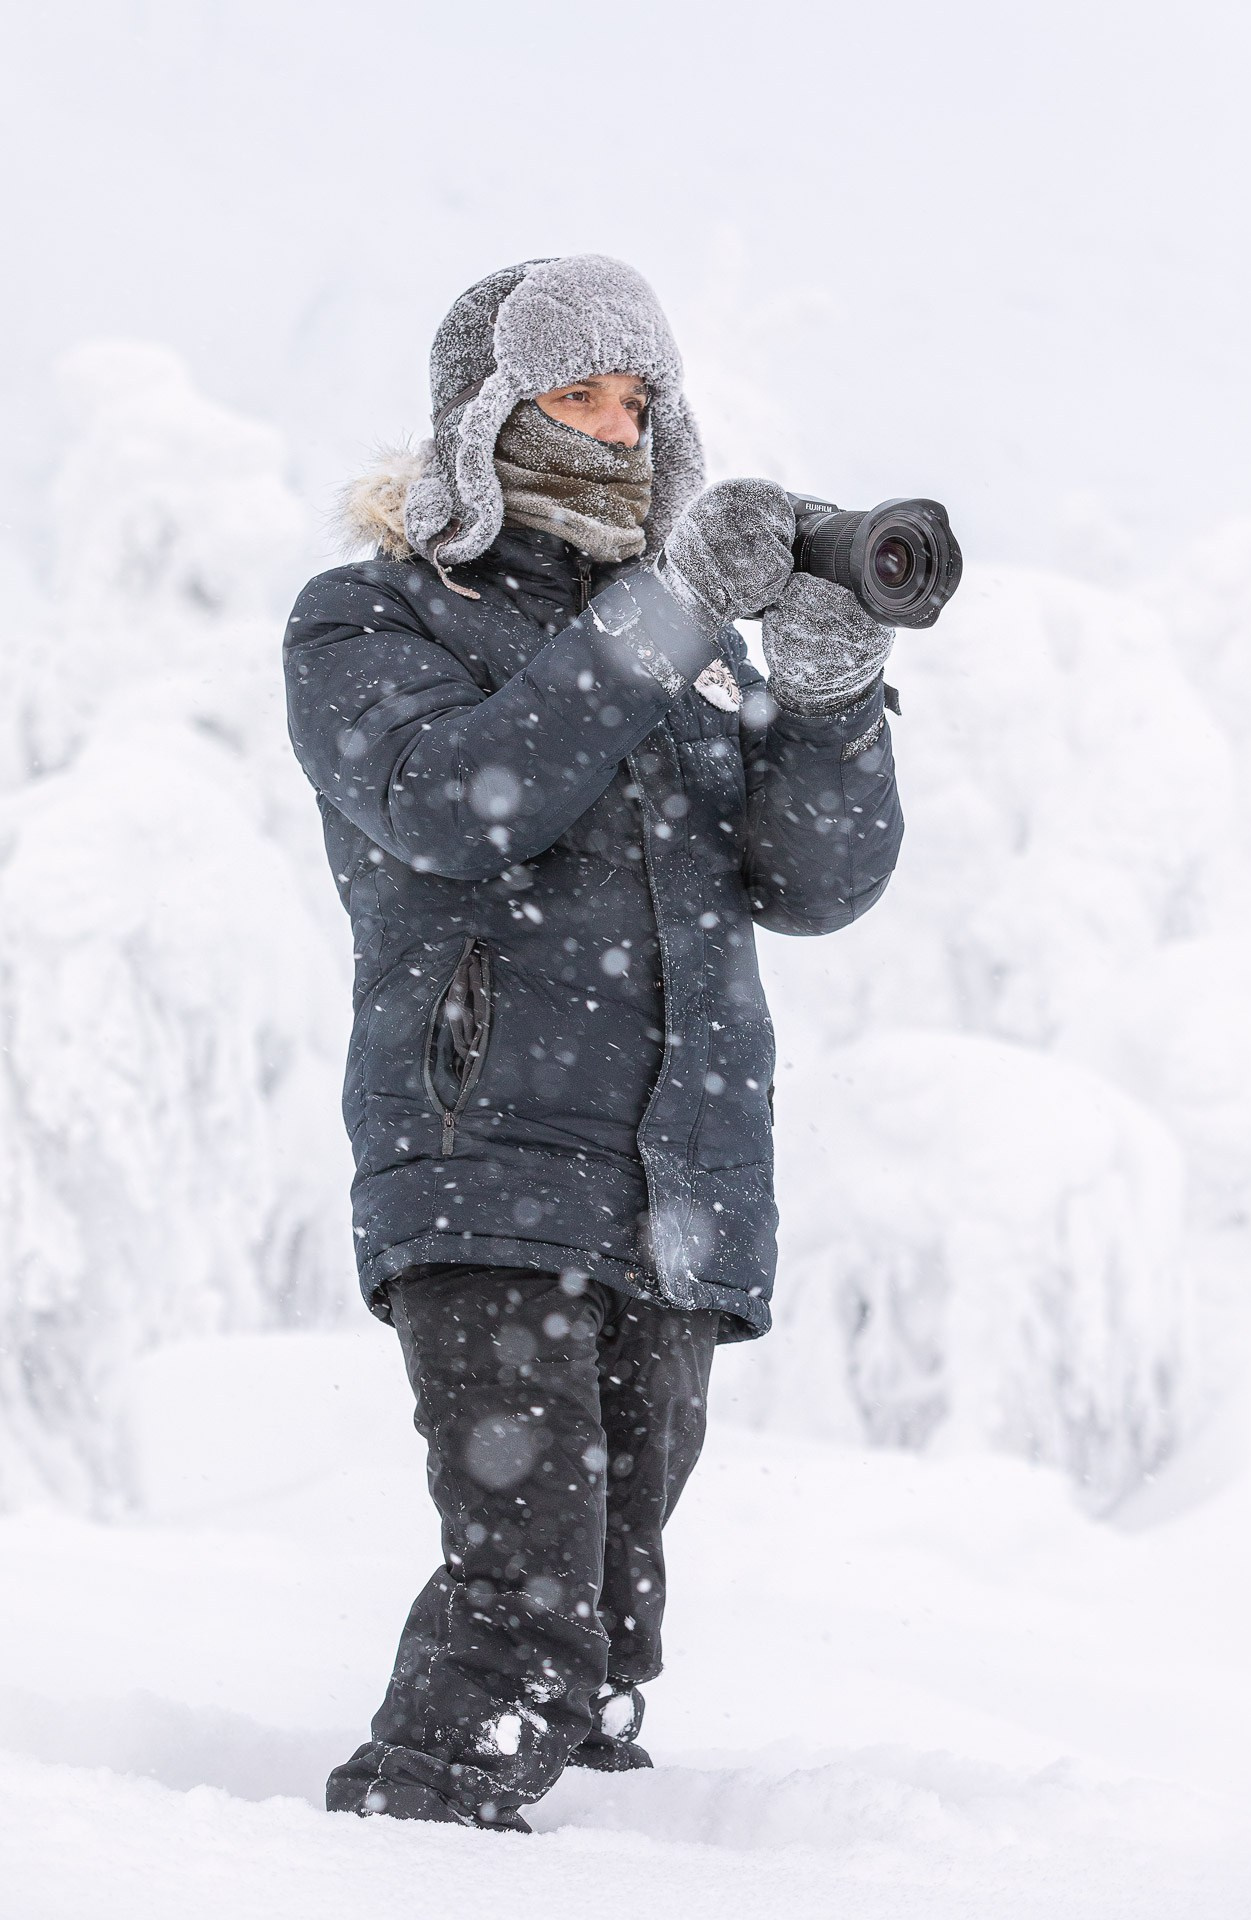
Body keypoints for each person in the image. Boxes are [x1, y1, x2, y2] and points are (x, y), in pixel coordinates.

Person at [283, 254, 904, 1832]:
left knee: (612, 1624)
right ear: (481, 414)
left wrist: (829, 696)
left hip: (675, 1185)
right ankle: (402, 1850)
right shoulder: (374, 615)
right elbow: (458, 799)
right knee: (525, 1619)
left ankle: (579, 1861)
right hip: (488, 1162)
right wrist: (672, 609)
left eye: (641, 400)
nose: (617, 430)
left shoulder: (686, 655)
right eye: (578, 391)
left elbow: (816, 884)